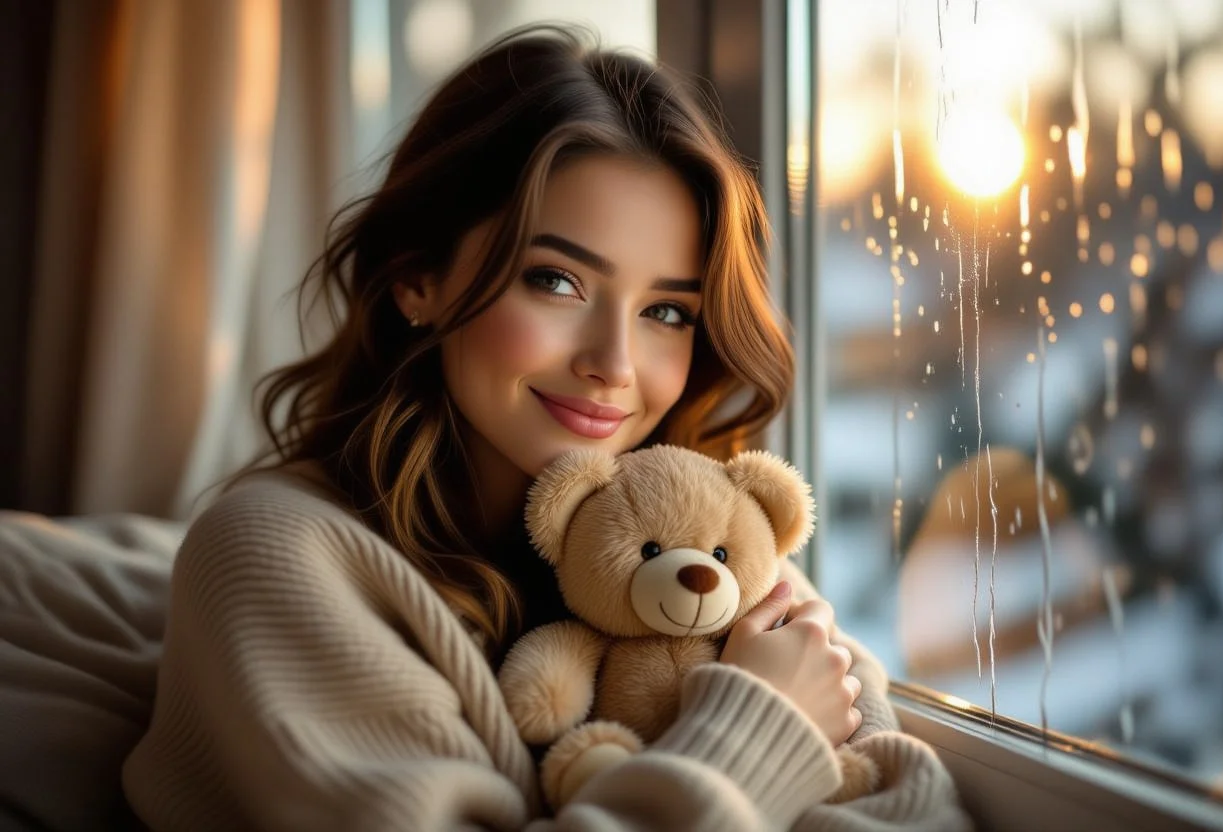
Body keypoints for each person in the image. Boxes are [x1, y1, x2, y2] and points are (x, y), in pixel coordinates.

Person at [122, 25, 970, 831]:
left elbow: (905, 800)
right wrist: (762, 728)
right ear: (419, 278)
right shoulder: (273, 552)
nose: (617, 364)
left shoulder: (699, 544)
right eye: (558, 282)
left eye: (668, 310)